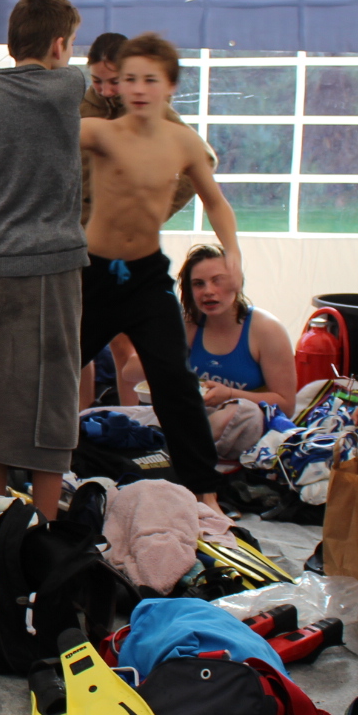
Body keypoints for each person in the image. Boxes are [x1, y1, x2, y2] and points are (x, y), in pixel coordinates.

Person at [81, 34, 240, 510]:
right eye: (129, 79)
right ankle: (35, 468)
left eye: (149, 79)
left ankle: (205, 493)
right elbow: (33, 133)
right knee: (50, 371)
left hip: (147, 279)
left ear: (169, 86)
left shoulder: (183, 141)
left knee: (174, 381)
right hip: (94, 276)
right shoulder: (101, 131)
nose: (137, 88)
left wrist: (233, 252)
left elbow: (215, 201)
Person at [0, 0, 89, 517]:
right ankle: (46, 525)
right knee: (51, 397)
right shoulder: (69, 85)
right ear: (59, 45)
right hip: (54, 260)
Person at [179, 244, 296, 413]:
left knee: (235, 414)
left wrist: (230, 395)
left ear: (237, 283)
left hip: (248, 420)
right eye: (198, 284)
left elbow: (287, 406)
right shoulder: (188, 325)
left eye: (217, 280)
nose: (208, 291)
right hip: (196, 416)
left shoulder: (267, 329)